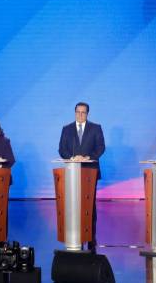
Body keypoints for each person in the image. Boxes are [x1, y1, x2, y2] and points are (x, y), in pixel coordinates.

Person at [58, 102, 105, 251]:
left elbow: (101, 148)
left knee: (89, 205)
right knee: (72, 204)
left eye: (83, 112)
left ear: (87, 114)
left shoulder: (95, 128)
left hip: (89, 171)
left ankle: (91, 236)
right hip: (72, 172)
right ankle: (74, 233)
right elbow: (61, 149)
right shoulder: (67, 129)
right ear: (74, 113)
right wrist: (73, 157)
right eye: (78, 112)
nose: (80, 115)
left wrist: (87, 157)